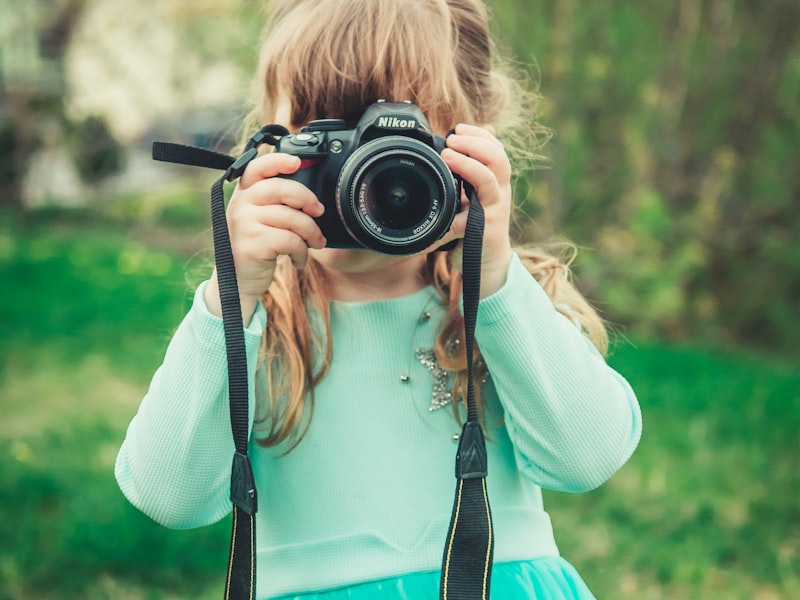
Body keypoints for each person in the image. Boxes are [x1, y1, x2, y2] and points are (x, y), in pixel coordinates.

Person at [115, 0, 643, 598]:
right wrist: (230, 302)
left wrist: (493, 274)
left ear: (474, 138)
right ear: (270, 137)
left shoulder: (504, 303)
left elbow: (588, 459)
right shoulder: (258, 321)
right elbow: (167, 497)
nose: (368, 167)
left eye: (405, 132)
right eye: (329, 133)